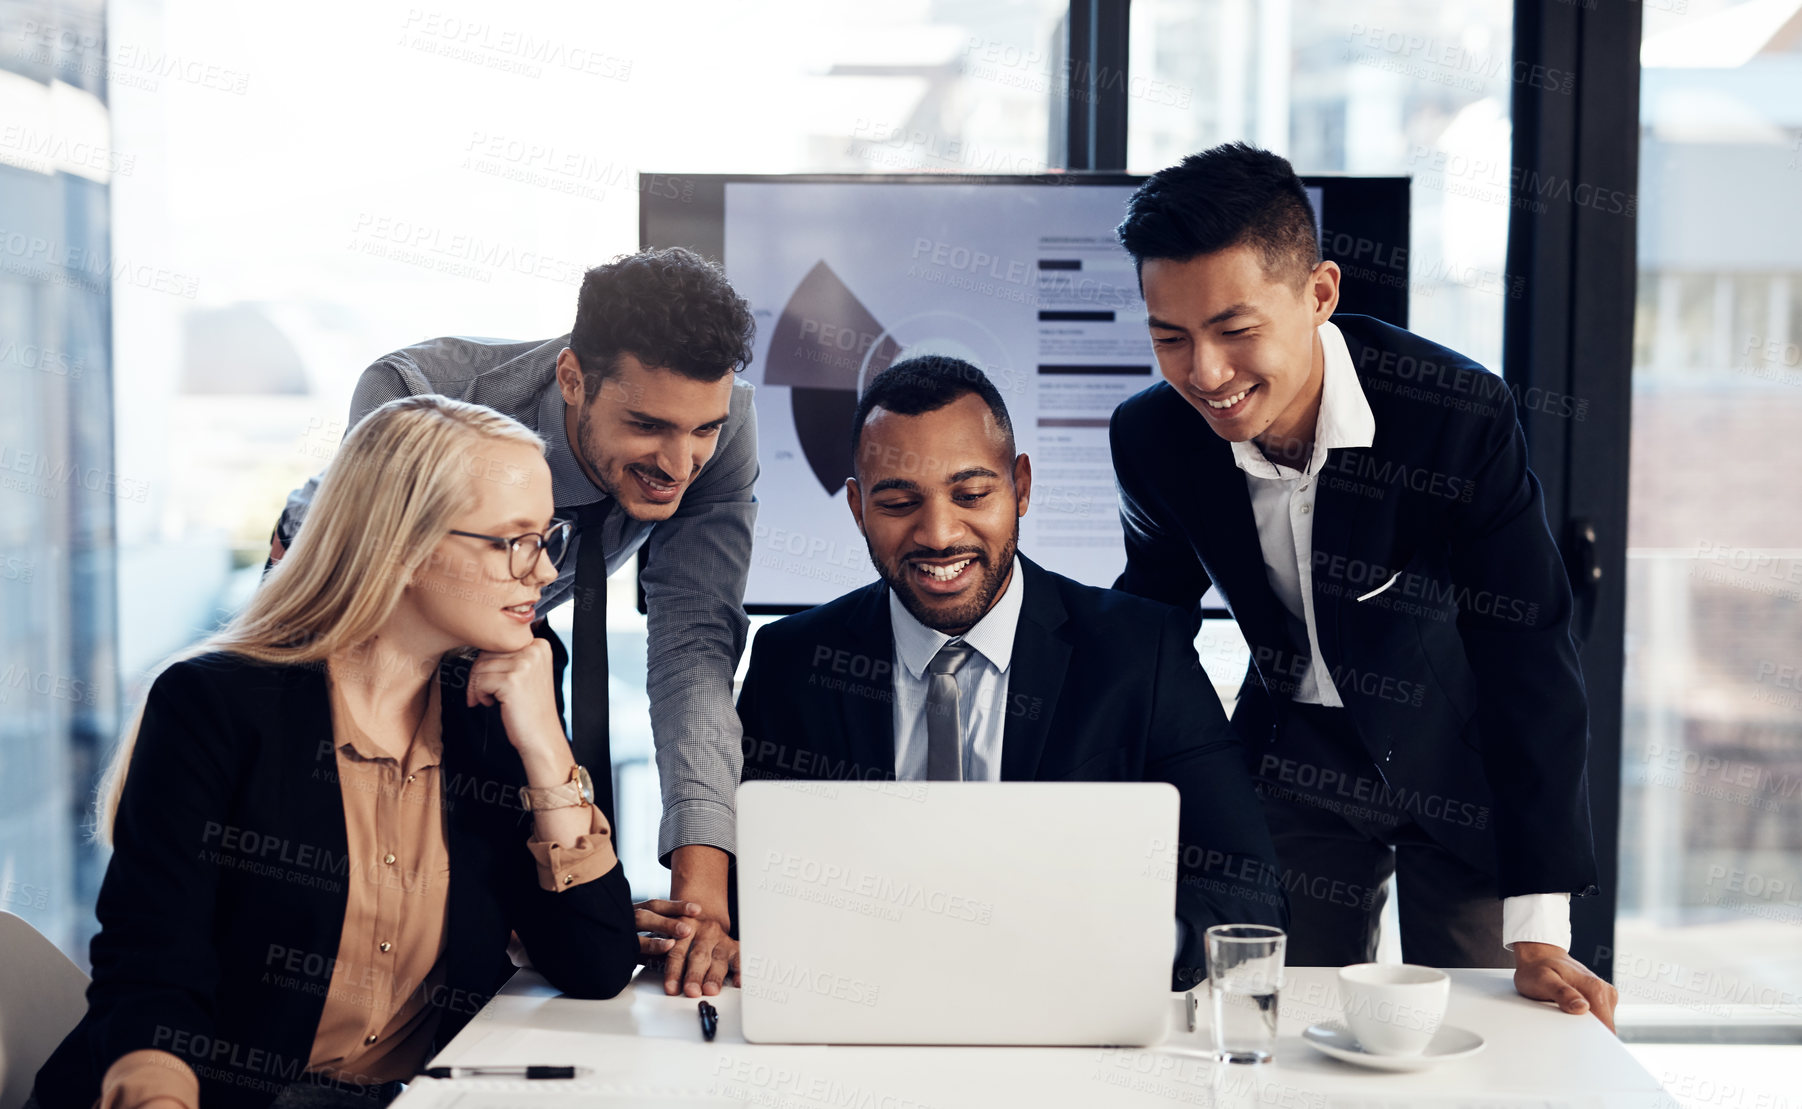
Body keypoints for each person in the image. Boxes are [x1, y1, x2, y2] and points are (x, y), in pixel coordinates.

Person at [1108, 142, 1616, 1027]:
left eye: (1235, 330)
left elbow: (1526, 650)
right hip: (1293, 761)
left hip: (1458, 763)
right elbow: (1150, 621)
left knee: (1482, 1039)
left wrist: (1540, 917)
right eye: (1170, 337)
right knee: (1283, 1024)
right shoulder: (1153, 437)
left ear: (1319, 294)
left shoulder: (1455, 415)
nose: (1207, 373)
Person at [32, 396, 640, 1109]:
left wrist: (545, 746)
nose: (541, 571)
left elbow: (595, 962)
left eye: (546, 536)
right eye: (513, 540)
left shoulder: (503, 697)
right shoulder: (214, 705)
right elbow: (153, 973)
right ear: (405, 547)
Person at [271, 248, 754, 997]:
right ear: (572, 379)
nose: (681, 461)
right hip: (353, 619)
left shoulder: (717, 428)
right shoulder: (421, 393)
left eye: (704, 431)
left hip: (508, 637)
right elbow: (368, 604)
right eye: (649, 425)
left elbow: (693, 647)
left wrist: (703, 910)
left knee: (549, 909)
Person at [735, 356, 1285, 989]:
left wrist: (1120, 936)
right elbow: (745, 891)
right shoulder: (793, 661)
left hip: (1069, 1011)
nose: (939, 535)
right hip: (860, 1015)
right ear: (857, 507)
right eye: (897, 502)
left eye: (971, 495)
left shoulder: (1141, 650)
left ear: (1020, 486)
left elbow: (1250, 894)